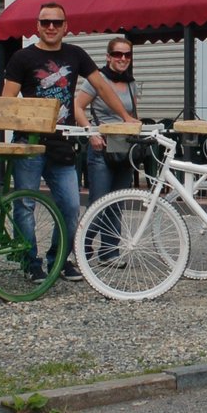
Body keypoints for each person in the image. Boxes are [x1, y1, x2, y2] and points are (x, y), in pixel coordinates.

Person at [1, 3, 137, 282]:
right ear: (37, 26)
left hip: (63, 142)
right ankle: (31, 261)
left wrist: (125, 116)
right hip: (30, 143)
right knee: (25, 204)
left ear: (66, 26)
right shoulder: (21, 57)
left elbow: (101, 86)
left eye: (57, 22)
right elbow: (7, 101)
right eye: (45, 22)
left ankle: (59, 259)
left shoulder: (75, 54)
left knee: (71, 207)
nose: (51, 27)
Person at [74, 36, 140, 266]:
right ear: (108, 56)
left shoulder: (131, 83)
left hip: (124, 148)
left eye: (127, 55)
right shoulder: (97, 80)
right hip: (102, 148)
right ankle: (81, 249)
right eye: (118, 54)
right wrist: (91, 132)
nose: (122, 59)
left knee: (117, 203)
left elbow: (133, 116)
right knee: (98, 203)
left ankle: (109, 252)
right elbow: (77, 107)